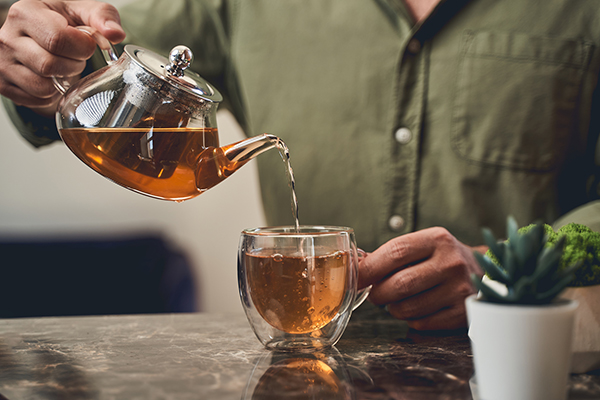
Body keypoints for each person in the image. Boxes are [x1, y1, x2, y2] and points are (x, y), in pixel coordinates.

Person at [1, 0, 599, 331]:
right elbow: (87, 61)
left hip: (522, 359)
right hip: (306, 365)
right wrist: (39, 49)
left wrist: (501, 270)